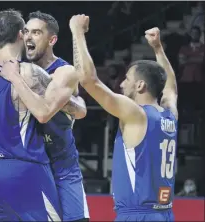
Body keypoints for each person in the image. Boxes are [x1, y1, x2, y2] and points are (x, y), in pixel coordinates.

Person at [0, 11, 89, 222]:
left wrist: (61, 100)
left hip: (59, 163)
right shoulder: (19, 67)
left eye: (36, 32)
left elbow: (80, 109)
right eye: (27, 32)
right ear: (20, 35)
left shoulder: (61, 71)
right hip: (28, 162)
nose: (29, 37)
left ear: (51, 39)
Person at [70, 15, 178, 221]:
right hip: (165, 214)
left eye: (127, 79)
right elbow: (171, 86)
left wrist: (77, 32)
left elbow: (88, 80)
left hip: (136, 215)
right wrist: (157, 49)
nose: (121, 85)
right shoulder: (169, 114)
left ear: (140, 86)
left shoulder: (136, 114)